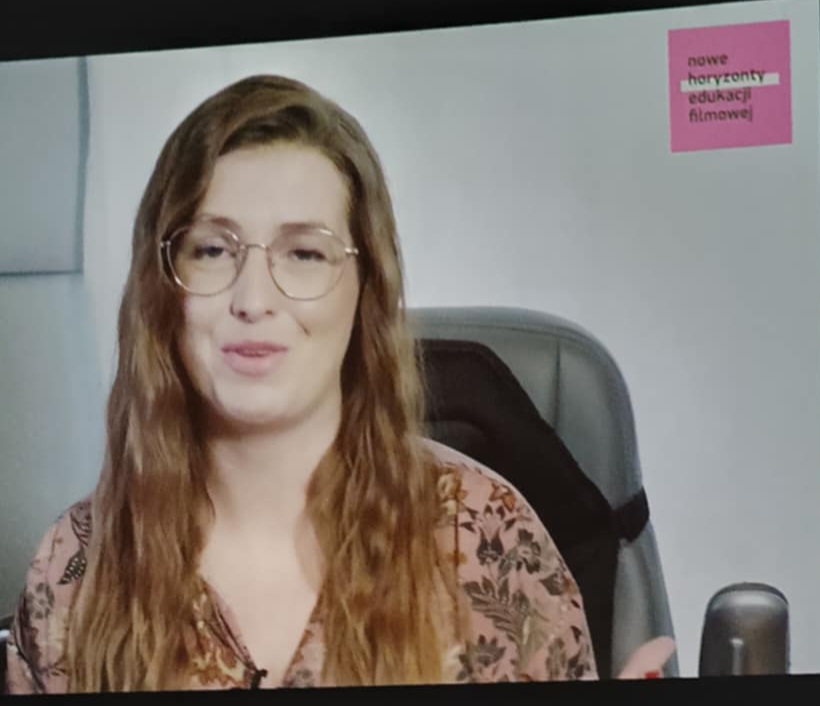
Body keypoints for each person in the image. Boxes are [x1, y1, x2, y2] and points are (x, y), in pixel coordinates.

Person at [4, 75, 673, 693]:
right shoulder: (75, 567)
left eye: (304, 253)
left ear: (366, 290)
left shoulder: (483, 539)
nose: (253, 299)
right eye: (212, 249)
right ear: (162, 287)